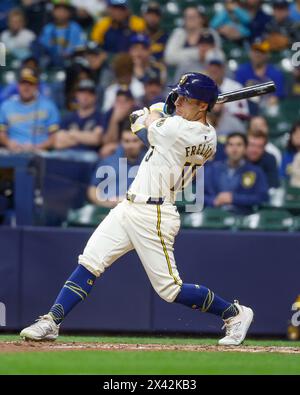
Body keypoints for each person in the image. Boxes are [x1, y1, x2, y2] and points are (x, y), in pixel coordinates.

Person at [20, 72, 254, 346]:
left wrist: (158, 110)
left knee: (170, 289)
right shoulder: (207, 135)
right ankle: (52, 320)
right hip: (129, 206)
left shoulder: (178, 130)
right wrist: (167, 109)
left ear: (203, 105)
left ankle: (235, 313)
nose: (178, 101)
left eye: (185, 98)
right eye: (177, 95)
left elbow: (137, 122)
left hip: (154, 214)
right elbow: (160, 119)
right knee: (90, 262)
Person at [205, 132, 268, 214]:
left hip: (242, 218)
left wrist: (234, 198)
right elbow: (198, 195)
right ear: (225, 149)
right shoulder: (212, 169)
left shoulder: (255, 172)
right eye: (231, 145)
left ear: (245, 149)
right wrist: (213, 201)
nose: (234, 149)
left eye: (239, 145)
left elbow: (262, 197)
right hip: (214, 216)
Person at [0, 68, 60, 152]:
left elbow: (55, 137)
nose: (26, 87)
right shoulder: (6, 106)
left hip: (41, 154)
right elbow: (1, 133)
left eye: (30, 83)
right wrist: (8, 143)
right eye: (23, 83)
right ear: (18, 85)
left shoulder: (49, 106)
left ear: (36, 86)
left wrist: (37, 147)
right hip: (13, 153)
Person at [88, 124, 145, 208]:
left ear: (142, 141)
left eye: (135, 141)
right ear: (120, 142)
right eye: (126, 141)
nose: (130, 145)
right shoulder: (108, 161)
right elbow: (92, 190)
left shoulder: (148, 164)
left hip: (135, 210)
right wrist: (106, 204)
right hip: (106, 209)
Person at [54, 79, 103, 156]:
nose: (85, 96)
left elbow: (96, 139)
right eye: (82, 92)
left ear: (95, 97)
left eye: (89, 93)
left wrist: (71, 133)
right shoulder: (68, 117)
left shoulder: (100, 117)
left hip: (90, 158)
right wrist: (86, 138)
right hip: (67, 156)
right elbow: (58, 143)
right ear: (76, 95)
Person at [235, 39, 285, 113]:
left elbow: (276, 97)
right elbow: (237, 94)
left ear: (268, 55)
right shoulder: (241, 71)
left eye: (262, 52)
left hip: (267, 110)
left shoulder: (276, 73)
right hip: (246, 109)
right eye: (255, 51)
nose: (258, 54)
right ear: (250, 53)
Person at [37, 0, 86, 67]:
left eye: (64, 10)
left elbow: (81, 46)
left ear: (69, 13)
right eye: (58, 10)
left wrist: (71, 54)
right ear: (53, 12)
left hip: (71, 62)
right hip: (51, 63)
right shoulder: (48, 28)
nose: (61, 13)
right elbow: (42, 46)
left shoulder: (76, 28)